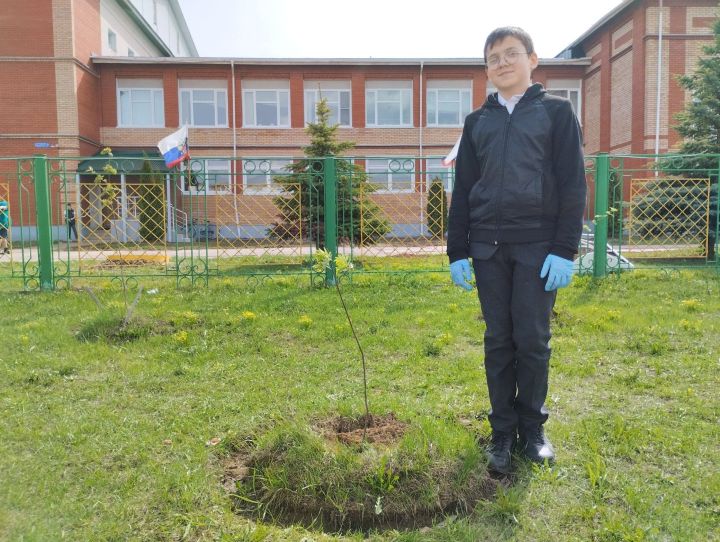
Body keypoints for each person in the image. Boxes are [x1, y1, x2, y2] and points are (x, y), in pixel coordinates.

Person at [447, 27, 587, 474]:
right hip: (488, 250)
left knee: (532, 340)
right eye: (493, 58)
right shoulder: (477, 123)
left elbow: (572, 183)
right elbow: (464, 188)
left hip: (537, 249)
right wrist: (457, 251)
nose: (502, 63)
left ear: (533, 60)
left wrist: (565, 249)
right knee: (498, 340)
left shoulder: (557, 113)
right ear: (486, 69)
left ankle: (533, 430)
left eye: (511, 54)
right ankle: (502, 432)